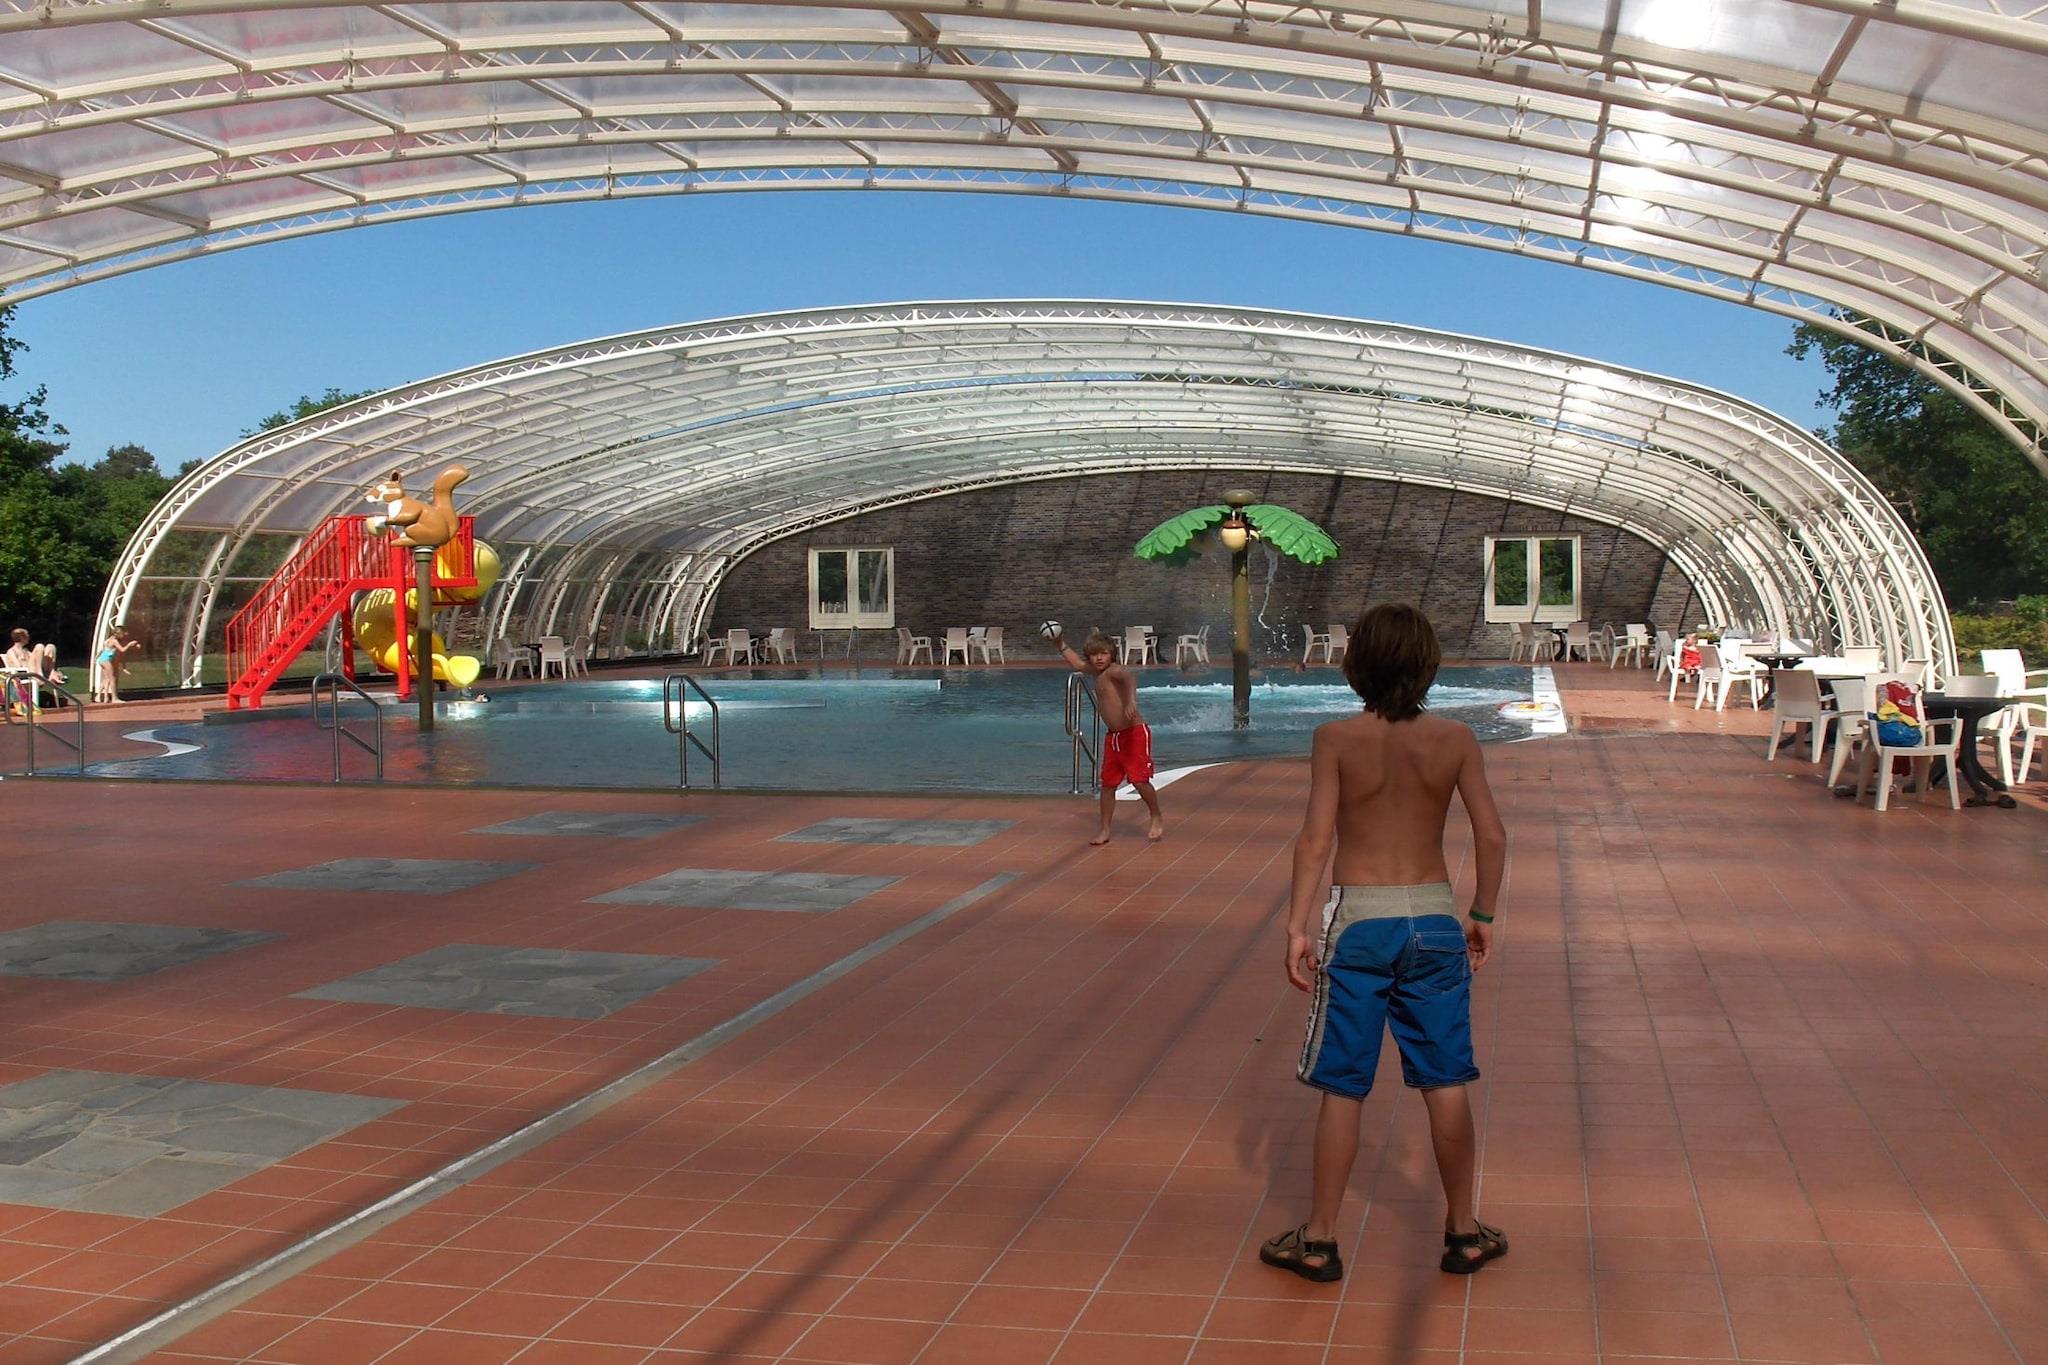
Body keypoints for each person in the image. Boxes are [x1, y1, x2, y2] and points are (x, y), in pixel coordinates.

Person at [1260, 602, 1507, 1284]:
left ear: (1356, 665)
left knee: (1343, 1084)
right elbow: (1492, 834)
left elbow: (1316, 840)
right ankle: (1464, 1231)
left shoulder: (1335, 739)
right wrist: (1482, 912)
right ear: (1429, 665)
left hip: (1360, 925)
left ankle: (1319, 1240)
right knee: (1445, 1078)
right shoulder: (1456, 739)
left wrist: (1297, 925)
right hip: (1434, 921)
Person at [1046, 627, 1164, 844]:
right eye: (1094, 654)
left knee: (1139, 780)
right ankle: (1105, 829)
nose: (1099, 658)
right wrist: (1060, 644)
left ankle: (1155, 815)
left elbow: (1129, 678)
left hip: (1134, 734)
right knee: (1108, 785)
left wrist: (1131, 701)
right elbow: (1077, 664)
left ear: (1112, 655)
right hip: (1114, 738)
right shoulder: (1096, 672)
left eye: (1104, 653)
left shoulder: (1114, 671)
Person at [4, 628, 63, 714]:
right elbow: (18, 667)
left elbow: (37, 659)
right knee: (39, 646)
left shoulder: (26, 651)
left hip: (35, 672)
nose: (29, 637)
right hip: (25, 675)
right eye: (27, 635)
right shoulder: (11, 651)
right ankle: (41, 674)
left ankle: (51, 672)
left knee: (51, 647)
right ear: (22, 637)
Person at [94, 624, 142, 704]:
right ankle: (114, 698)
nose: (123, 636)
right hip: (105, 660)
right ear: (118, 634)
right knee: (112, 679)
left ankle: (100, 696)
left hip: (102, 660)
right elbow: (122, 650)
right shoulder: (114, 641)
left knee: (107, 679)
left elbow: (104, 649)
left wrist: (134, 645)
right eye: (122, 634)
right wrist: (129, 645)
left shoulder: (110, 639)